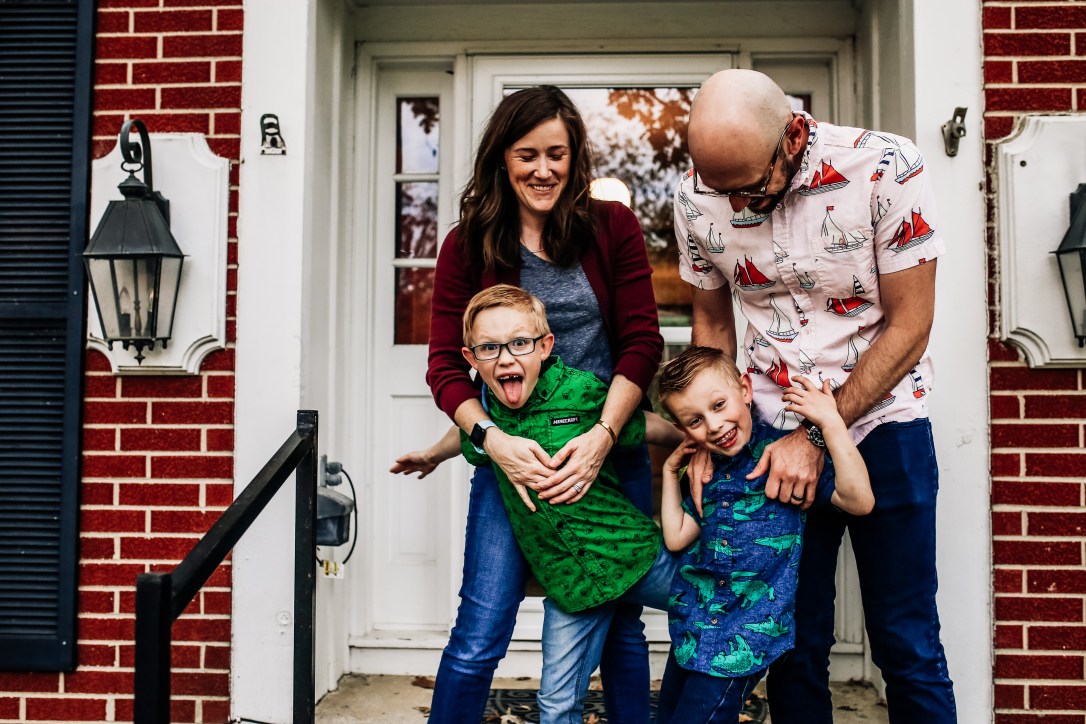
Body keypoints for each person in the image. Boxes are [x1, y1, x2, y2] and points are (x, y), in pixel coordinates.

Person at [673, 68, 957, 722]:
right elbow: (714, 324)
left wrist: (816, 435)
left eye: (748, 188)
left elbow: (910, 324)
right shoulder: (696, 195)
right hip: (768, 435)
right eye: (723, 193)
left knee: (906, 641)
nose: (735, 208)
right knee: (792, 644)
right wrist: (707, 435)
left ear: (794, 135)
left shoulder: (887, 166)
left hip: (886, 424)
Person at [421, 85, 664, 723]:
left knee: (621, 626)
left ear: (575, 156)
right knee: (482, 628)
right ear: (503, 157)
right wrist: (493, 445)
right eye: (528, 154)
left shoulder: (612, 226)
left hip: (606, 452)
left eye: (557, 154)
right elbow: (445, 366)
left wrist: (604, 437)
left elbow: (641, 340)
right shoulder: (468, 244)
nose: (543, 169)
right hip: (513, 464)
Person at [396, 285, 682, 723]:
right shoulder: (490, 419)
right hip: (570, 588)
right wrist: (432, 455)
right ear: (470, 359)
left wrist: (698, 445)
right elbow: (467, 435)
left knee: (715, 609)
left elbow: (643, 424)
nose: (506, 358)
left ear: (545, 346)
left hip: (632, 557)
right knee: (555, 705)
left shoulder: (581, 393)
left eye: (519, 343)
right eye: (489, 348)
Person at [654, 345, 872, 723]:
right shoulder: (703, 472)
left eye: (719, 405)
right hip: (693, 629)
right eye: (695, 420)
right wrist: (673, 470)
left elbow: (859, 500)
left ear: (745, 389)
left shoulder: (786, 460)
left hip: (743, 636)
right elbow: (676, 537)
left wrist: (831, 423)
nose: (714, 426)